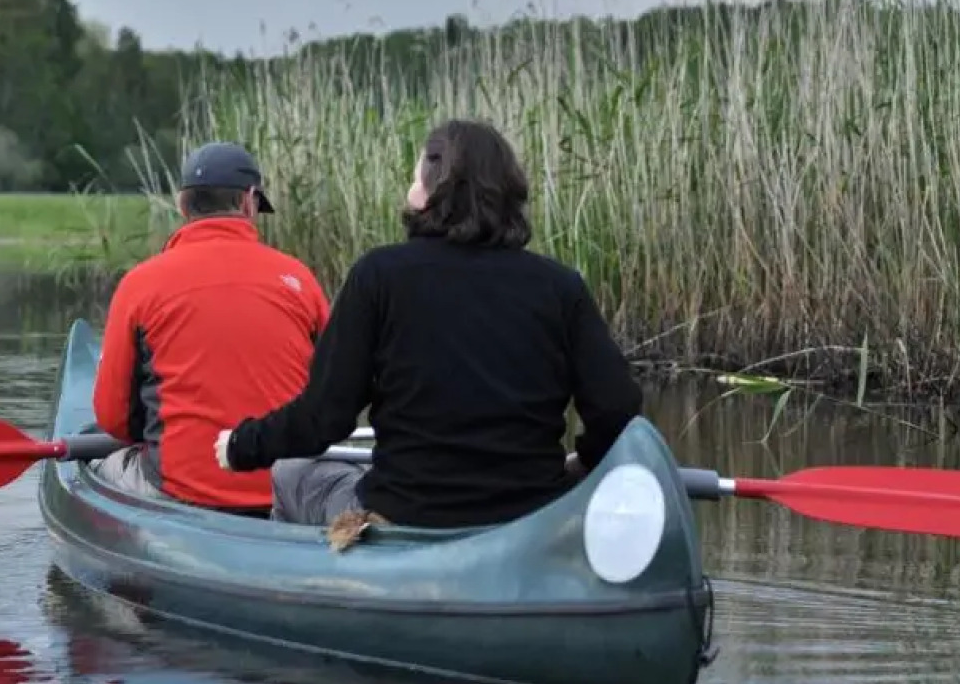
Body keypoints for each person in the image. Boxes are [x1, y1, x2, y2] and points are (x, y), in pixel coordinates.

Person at [214, 118, 643, 529]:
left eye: (416, 177)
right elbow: (618, 410)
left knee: (291, 474)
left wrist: (241, 445)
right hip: (526, 520)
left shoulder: (378, 276)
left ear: (433, 191)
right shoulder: (560, 287)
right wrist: (584, 461)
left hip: (405, 516)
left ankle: (315, 591)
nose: (409, 188)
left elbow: (325, 417)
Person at [91, 141, 330, 514]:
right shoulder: (300, 280)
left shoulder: (139, 284)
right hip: (285, 493)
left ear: (182, 205)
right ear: (250, 202)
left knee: (97, 469)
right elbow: (332, 395)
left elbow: (113, 419)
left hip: (180, 490)